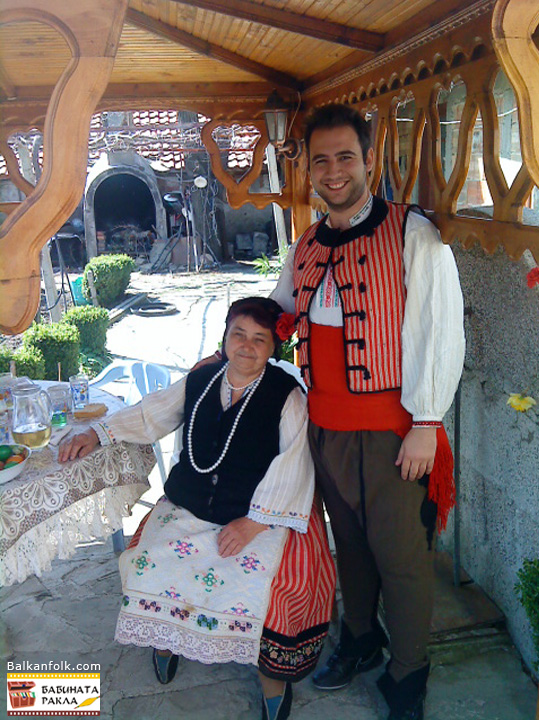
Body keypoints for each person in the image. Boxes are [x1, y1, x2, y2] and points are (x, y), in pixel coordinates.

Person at [268, 104, 465, 720]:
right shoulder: (304, 244)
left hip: (393, 433)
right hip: (325, 429)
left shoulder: (413, 233)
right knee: (348, 546)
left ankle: (409, 671)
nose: (333, 171)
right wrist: (234, 351)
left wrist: (427, 426)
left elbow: (438, 329)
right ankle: (359, 638)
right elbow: (277, 311)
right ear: (308, 170)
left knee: (402, 557)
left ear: (369, 160)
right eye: (321, 159)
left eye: (345, 157)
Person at [58, 297, 336, 720]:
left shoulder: (287, 396)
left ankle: (271, 680)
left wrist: (254, 523)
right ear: (225, 338)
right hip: (189, 504)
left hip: (258, 513)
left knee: (266, 583)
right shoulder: (201, 378)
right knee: (149, 558)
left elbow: (294, 465)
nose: (246, 346)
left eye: (259, 339)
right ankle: (166, 637)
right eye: (238, 334)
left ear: (272, 349)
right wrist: (100, 432)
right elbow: (152, 414)